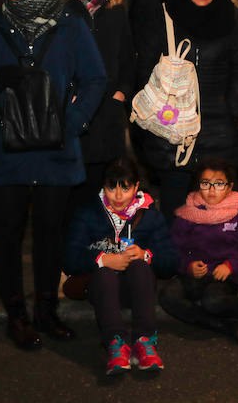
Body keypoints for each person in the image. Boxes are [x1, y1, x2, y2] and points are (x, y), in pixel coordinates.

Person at [0, 0, 106, 348]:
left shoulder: (70, 23)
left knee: (49, 234)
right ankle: (16, 315)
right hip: (5, 148)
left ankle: (46, 311)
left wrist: (72, 124)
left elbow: (96, 79)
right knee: (6, 234)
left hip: (54, 149)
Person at [134, 0, 238, 220]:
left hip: (217, 120)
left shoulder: (231, 17)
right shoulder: (165, 13)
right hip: (171, 121)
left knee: (213, 203)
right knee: (174, 201)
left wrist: (233, 108)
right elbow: (146, 65)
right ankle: (173, 257)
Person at [64, 157, 177, 375]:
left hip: (137, 289)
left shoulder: (151, 217)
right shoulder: (87, 214)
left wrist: (146, 255)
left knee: (140, 266)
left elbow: (171, 262)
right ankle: (116, 344)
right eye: (110, 187)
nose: (117, 196)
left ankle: (145, 342)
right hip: (100, 289)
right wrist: (101, 259)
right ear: (103, 186)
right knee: (104, 273)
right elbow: (69, 259)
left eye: (125, 188)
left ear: (136, 187)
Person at [159, 159, 238, 344]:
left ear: (229, 188)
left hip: (226, 276)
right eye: (206, 184)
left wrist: (231, 266)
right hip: (194, 275)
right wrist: (187, 266)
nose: (211, 190)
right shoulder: (187, 214)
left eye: (219, 184)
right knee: (168, 297)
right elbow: (172, 250)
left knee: (213, 301)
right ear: (199, 186)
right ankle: (226, 326)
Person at [62, 0, 135, 214]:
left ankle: (107, 250)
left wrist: (122, 93)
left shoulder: (115, 7)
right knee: (77, 191)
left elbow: (128, 57)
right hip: (75, 109)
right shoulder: (61, 10)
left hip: (109, 110)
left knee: (110, 191)